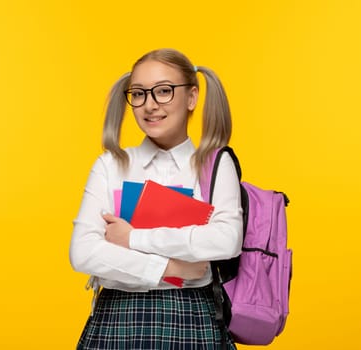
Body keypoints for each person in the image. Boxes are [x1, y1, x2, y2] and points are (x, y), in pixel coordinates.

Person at [70, 48, 243, 349]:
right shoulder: (111, 165)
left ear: (192, 98)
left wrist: (132, 238)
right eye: (138, 94)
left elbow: (225, 241)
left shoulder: (214, 165)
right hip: (118, 317)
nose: (150, 105)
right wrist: (171, 269)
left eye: (163, 91)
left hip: (191, 317)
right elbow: (84, 252)